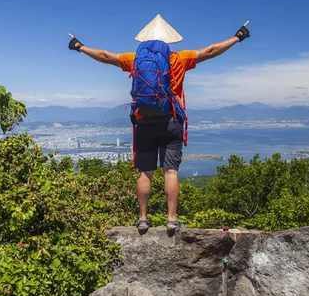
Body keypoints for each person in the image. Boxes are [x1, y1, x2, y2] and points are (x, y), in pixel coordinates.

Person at [68, 15, 250, 232]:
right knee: (171, 171)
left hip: (144, 121)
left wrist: (79, 46)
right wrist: (237, 37)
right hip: (172, 119)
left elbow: (105, 56)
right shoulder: (179, 59)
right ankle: (171, 219)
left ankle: (143, 219)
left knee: (145, 172)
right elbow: (210, 50)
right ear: (168, 40)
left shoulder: (134, 59)